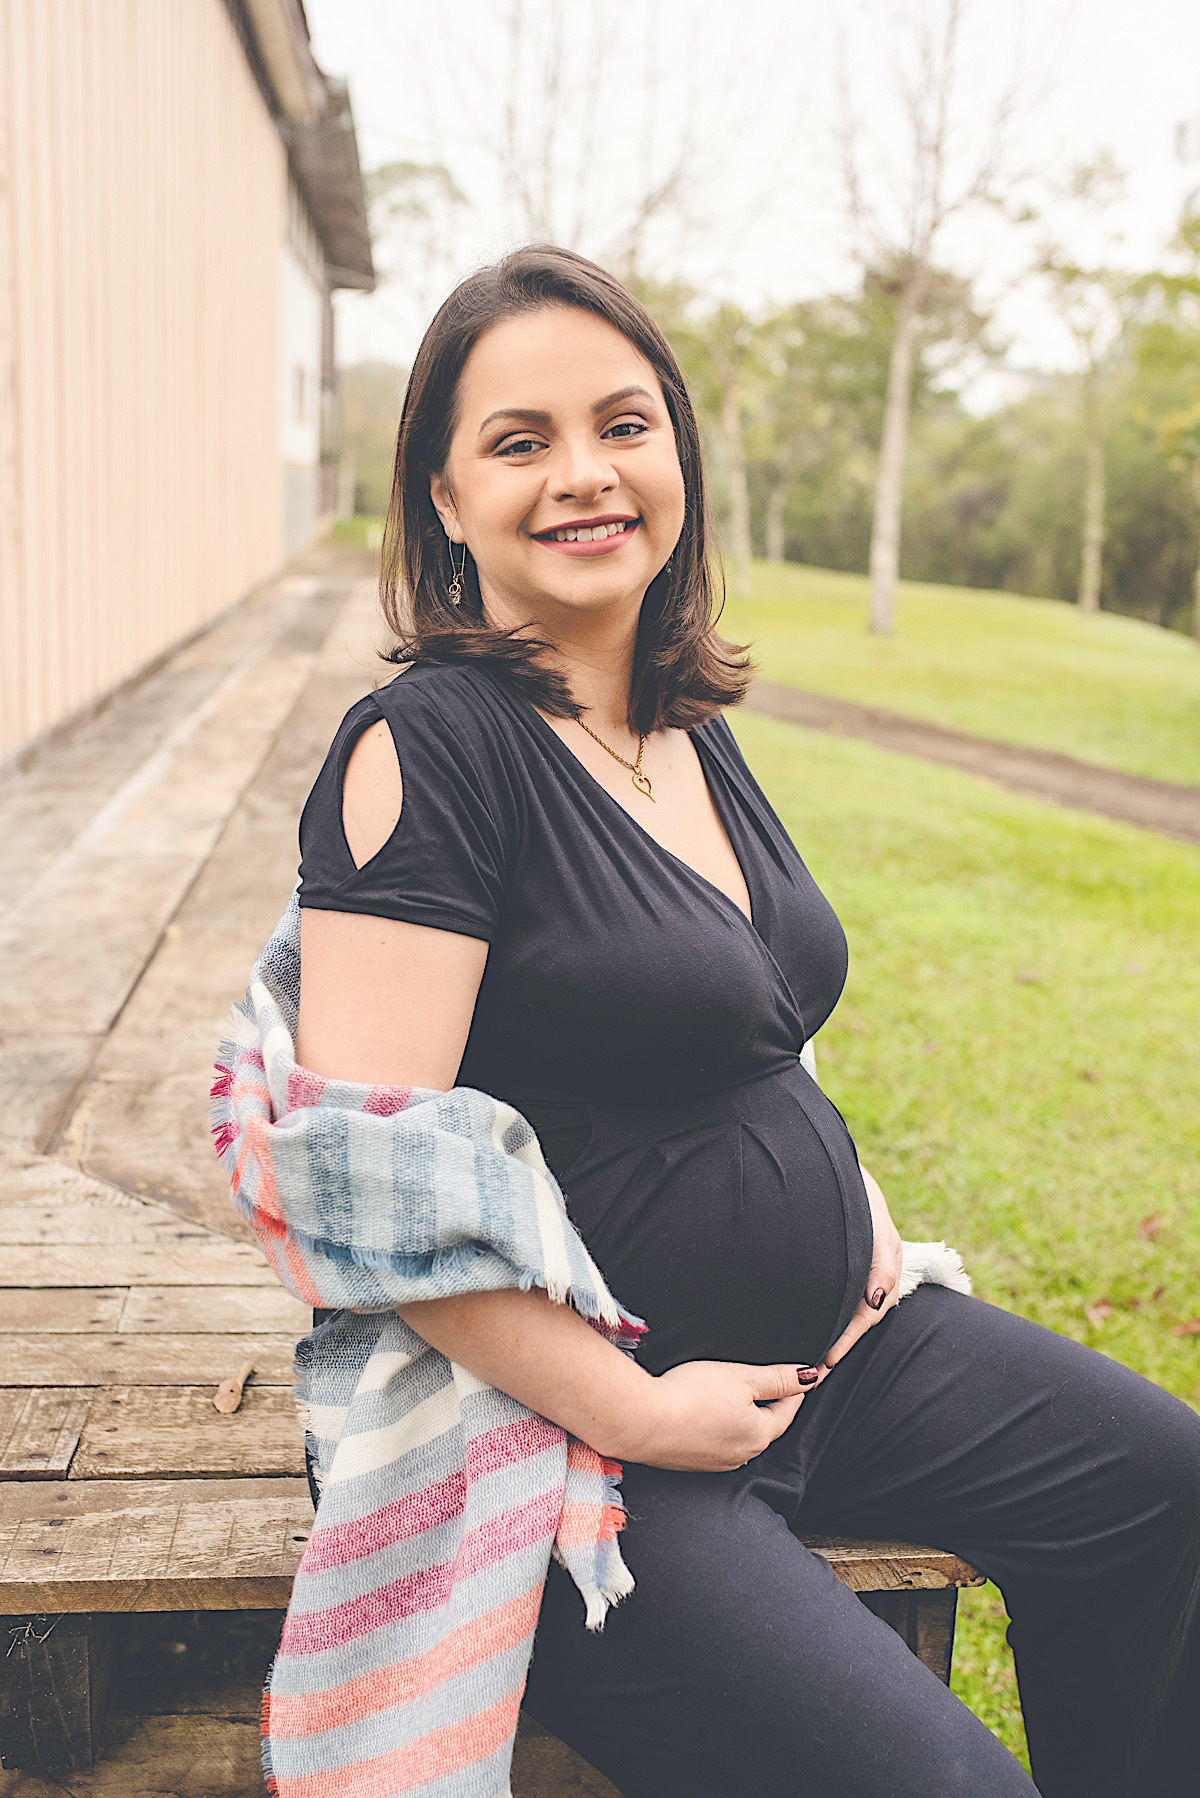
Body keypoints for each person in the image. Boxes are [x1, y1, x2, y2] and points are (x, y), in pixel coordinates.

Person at [293, 246, 1200, 1798]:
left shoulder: (678, 724)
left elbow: (746, 1030)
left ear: (679, 456)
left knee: (1163, 1490)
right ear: (444, 498)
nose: (586, 473)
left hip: (834, 1363)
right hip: (578, 1442)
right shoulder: (427, 751)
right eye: (520, 441)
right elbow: (371, 1206)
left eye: (623, 424)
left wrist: (858, 1214)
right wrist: (637, 1408)